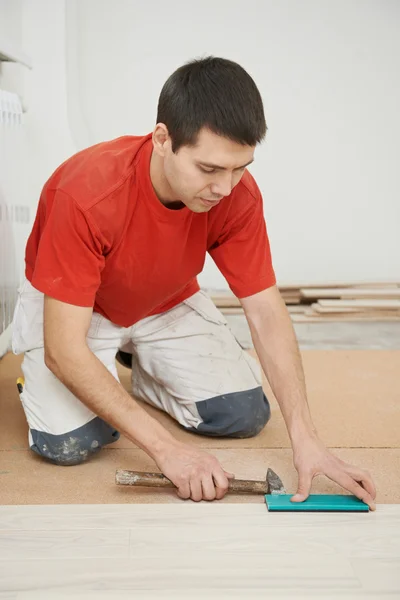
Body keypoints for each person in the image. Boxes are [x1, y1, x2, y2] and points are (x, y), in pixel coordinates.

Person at [12, 56, 376, 508]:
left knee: (241, 414)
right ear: (162, 139)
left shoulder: (235, 194)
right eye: (209, 169)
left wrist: (307, 439)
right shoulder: (86, 194)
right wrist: (169, 451)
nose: (225, 188)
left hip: (165, 300)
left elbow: (265, 311)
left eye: (239, 167)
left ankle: (141, 368)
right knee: (71, 443)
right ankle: (68, 371)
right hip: (80, 309)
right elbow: (64, 348)